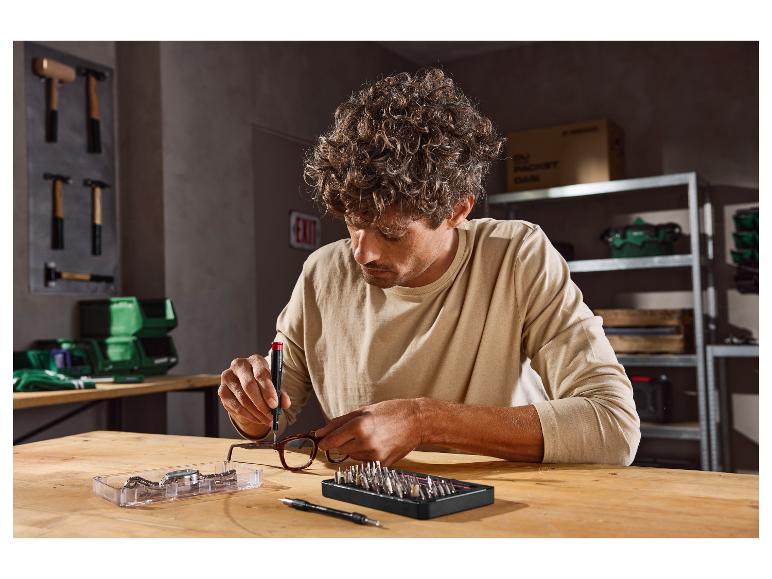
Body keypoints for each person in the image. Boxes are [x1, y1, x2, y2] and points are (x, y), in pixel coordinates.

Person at [219, 68, 640, 466]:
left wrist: (425, 421)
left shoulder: (516, 256)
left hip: (498, 512)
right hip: (362, 512)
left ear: (458, 209)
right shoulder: (321, 273)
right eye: (353, 224)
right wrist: (250, 407)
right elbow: (270, 419)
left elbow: (613, 425)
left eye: (392, 232)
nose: (363, 253)